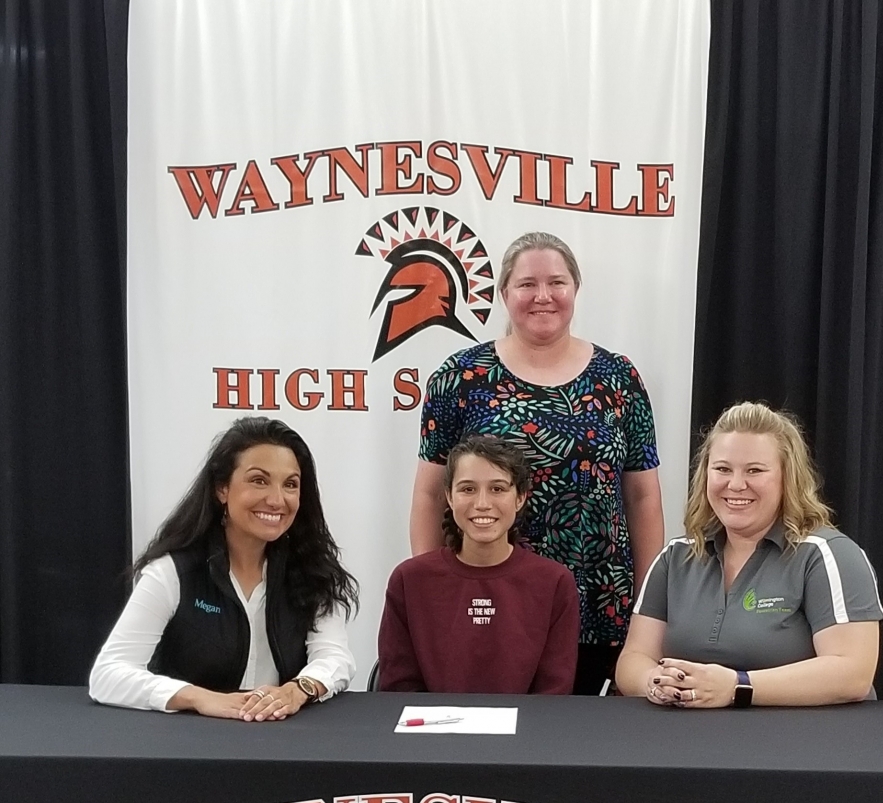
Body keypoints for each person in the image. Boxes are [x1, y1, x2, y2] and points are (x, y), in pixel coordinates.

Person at [409, 231, 664, 695]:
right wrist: (435, 592)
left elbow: (643, 496)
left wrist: (651, 603)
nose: (542, 296)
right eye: (527, 284)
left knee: (587, 751)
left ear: (575, 291)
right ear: (504, 293)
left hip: (602, 604)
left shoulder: (620, 378)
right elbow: (431, 494)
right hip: (490, 601)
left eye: (557, 283)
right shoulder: (459, 378)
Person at [616, 402, 883, 707]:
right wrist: (654, 682)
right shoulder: (675, 556)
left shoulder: (827, 555)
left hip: (805, 745)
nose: (736, 484)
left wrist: (737, 686)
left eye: (754, 470)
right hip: (690, 743)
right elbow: (634, 658)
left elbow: (853, 674)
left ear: (788, 477)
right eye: (722, 469)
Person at [89, 416, 357, 719]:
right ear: (222, 489)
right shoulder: (172, 573)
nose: (276, 499)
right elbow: (107, 675)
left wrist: (296, 690)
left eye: (290, 485)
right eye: (259, 480)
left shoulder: (313, 570)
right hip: (192, 746)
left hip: (285, 742)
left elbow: (335, 657)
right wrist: (199, 698)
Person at [379, 434, 579, 694]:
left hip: (527, 732)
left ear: (520, 498)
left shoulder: (554, 582)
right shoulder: (409, 579)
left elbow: (554, 693)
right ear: (449, 497)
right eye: (468, 489)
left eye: (497, 489)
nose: (482, 504)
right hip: (432, 732)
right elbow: (398, 690)